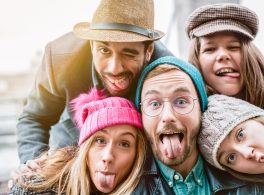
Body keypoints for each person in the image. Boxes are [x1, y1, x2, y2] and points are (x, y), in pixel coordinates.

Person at [16, 0, 172, 165]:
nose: (115, 68)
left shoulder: (169, 74)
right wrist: (34, 161)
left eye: (129, 53)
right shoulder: (59, 60)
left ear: (148, 52)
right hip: (69, 157)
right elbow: (34, 117)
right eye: (104, 50)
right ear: (91, 45)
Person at [132, 56, 264, 194]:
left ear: (201, 110)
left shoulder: (249, 185)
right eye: (154, 104)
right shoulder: (128, 188)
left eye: (181, 102)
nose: (168, 116)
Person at [10, 88, 146, 194]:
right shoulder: (39, 186)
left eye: (124, 144)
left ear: (137, 155)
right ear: (85, 147)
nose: (108, 156)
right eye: (99, 140)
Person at [186, 3, 264, 120]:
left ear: (251, 56)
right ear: (197, 61)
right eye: (210, 49)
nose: (223, 55)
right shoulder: (188, 114)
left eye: (233, 47)